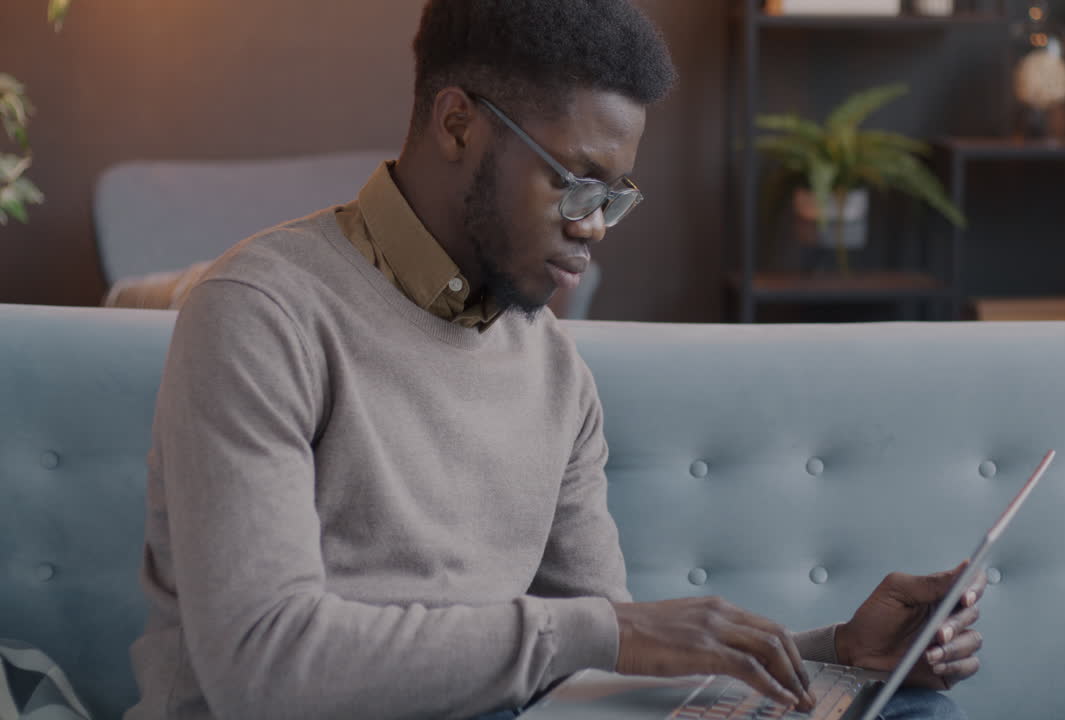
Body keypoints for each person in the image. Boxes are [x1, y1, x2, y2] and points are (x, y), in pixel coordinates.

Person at [125, 1, 983, 718]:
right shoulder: (260, 314)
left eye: (615, 197)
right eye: (577, 184)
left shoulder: (555, 376)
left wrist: (832, 652)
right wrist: (596, 632)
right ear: (457, 123)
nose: (596, 227)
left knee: (904, 708)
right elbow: (260, 665)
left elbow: (607, 657)